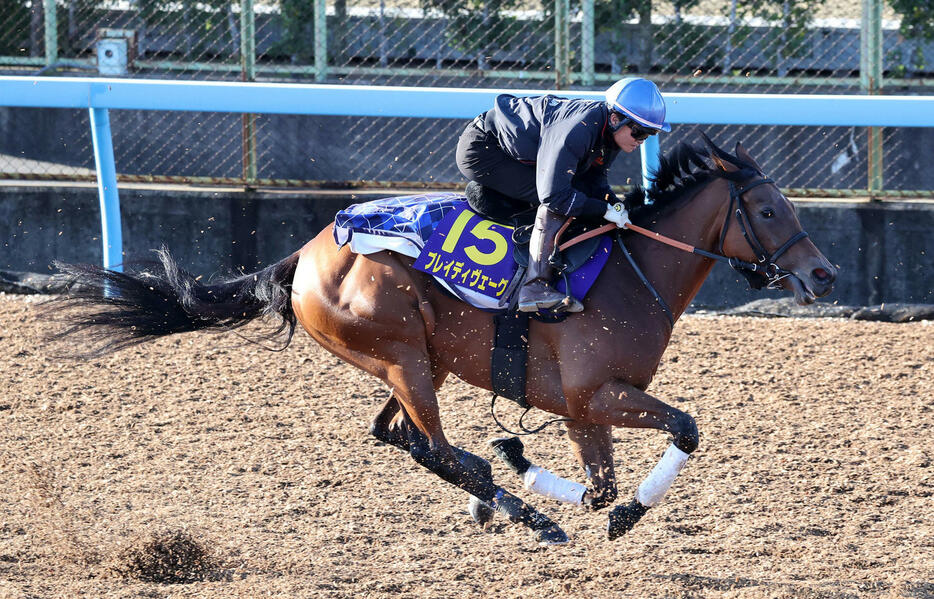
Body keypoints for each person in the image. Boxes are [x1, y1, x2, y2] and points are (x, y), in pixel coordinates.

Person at [455, 77, 671, 313]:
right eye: (638, 132)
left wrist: (616, 206)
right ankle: (534, 286)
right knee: (558, 202)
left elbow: (595, 182)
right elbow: (554, 197)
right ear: (615, 118)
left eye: (649, 135)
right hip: (484, 150)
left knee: (579, 197)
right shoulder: (578, 129)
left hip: (516, 152)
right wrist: (602, 210)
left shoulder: (608, 133)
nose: (640, 141)